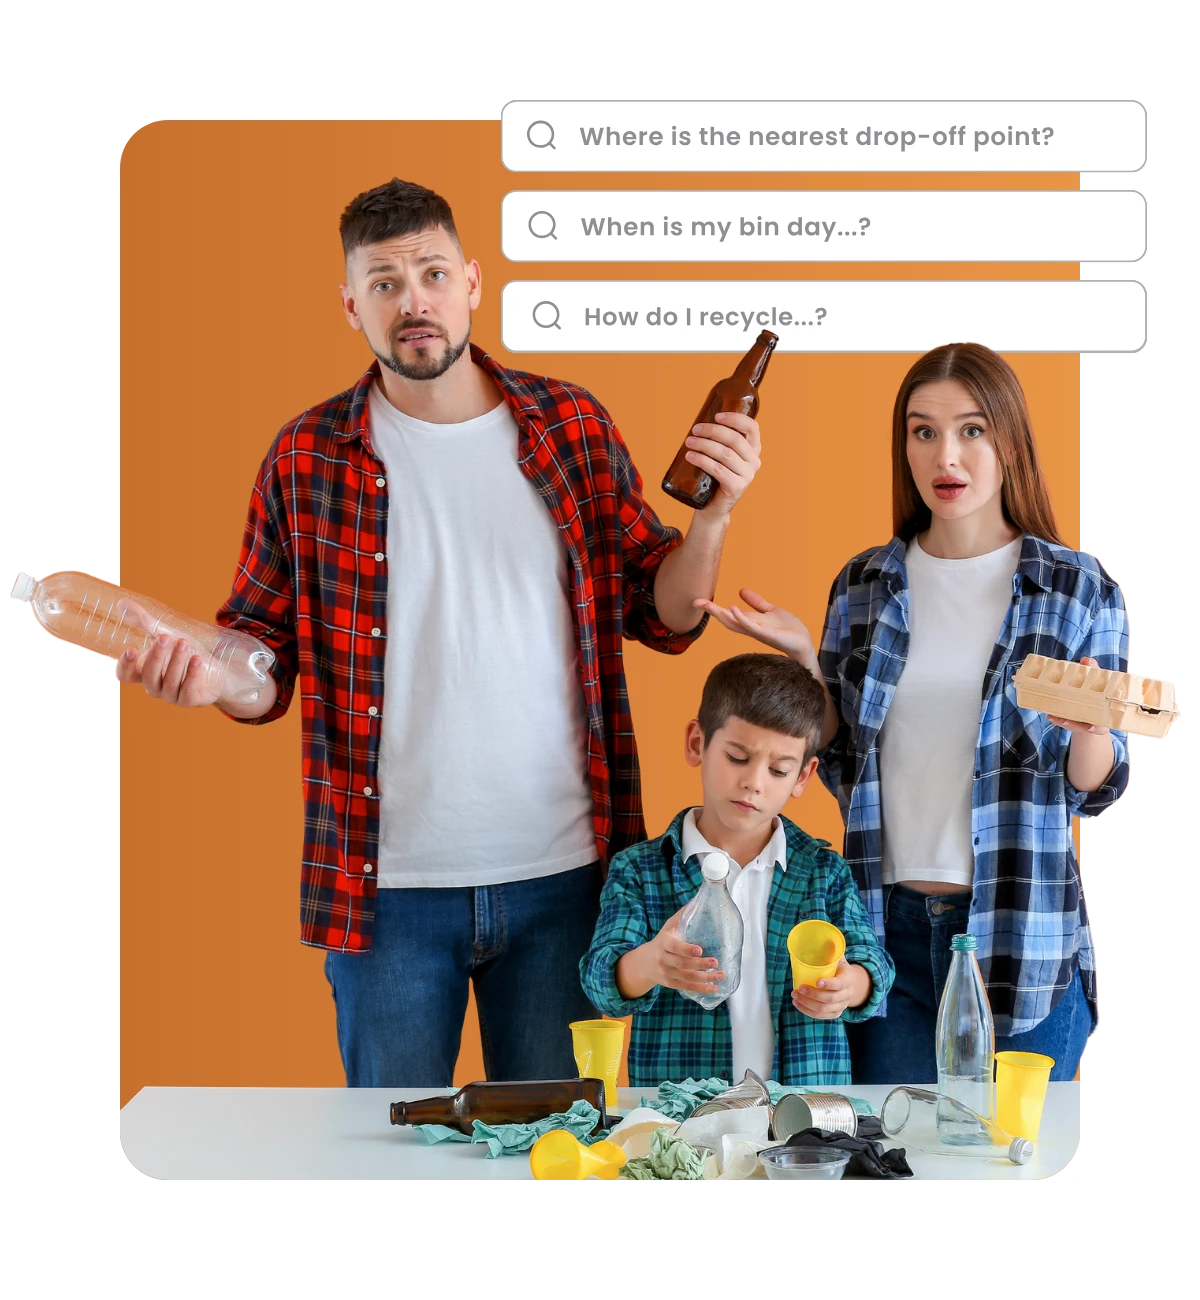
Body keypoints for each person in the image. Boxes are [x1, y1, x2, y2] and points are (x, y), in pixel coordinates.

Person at [114, 177, 765, 1087]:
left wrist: (714, 517)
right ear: (352, 305)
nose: (411, 300)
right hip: (385, 894)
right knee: (391, 1154)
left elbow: (659, 612)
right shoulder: (306, 457)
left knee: (558, 1142)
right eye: (383, 282)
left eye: (429, 274)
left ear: (471, 282)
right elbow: (259, 655)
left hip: (564, 879)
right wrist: (218, 678)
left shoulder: (568, 426)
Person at [696, 343, 1124, 1084]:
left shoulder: (1076, 586)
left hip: (1024, 932)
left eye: (971, 429)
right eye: (922, 431)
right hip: (882, 933)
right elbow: (840, 758)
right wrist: (806, 662)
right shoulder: (865, 583)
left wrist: (1091, 732)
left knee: (1014, 1163)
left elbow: (1098, 785)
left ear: (1010, 439)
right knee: (890, 1158)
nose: (945, 455)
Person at [580, 652, 895, 1088]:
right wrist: (652, 964)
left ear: (803, 777)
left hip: (803, 1116)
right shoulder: (640, 870)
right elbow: (600, 978)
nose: (754, 782)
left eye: (779, 769)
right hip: (683, 1117)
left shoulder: (824, 871)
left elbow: (874, 965)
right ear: (697, 744)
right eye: (737, 757)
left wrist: (851, 986)